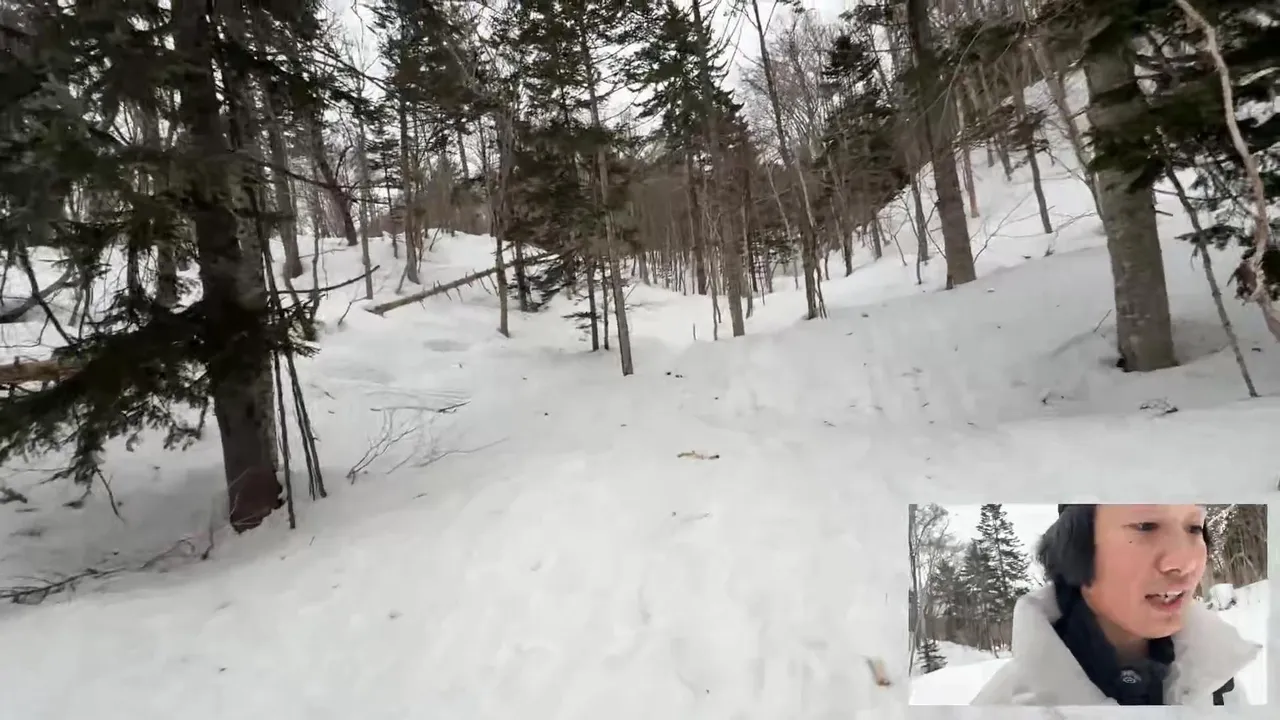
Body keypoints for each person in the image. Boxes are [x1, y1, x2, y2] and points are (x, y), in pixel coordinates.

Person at [971, 504, 1260, 706]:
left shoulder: (1216, 681)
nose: (1185, 562)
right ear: (1076, 547)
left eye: (1194, 528)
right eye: (1145, 526)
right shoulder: (1002, 706)